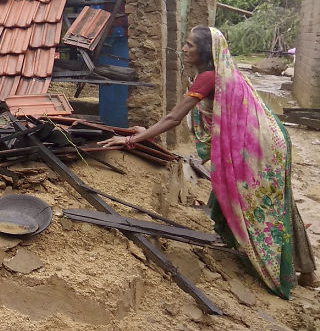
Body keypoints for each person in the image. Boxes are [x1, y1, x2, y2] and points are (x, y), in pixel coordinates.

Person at [99, 26, 316, 298]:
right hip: (271, 140)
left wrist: (132, 141)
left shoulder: (209, 78)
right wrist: (145, 133)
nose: (184, 49)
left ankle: (274, 272)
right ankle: (307, 271)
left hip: (260, 149)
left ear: (204, 50)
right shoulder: (224, 74)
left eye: (190, 45)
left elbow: (173, 119)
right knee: (277, 200)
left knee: (261, 208)